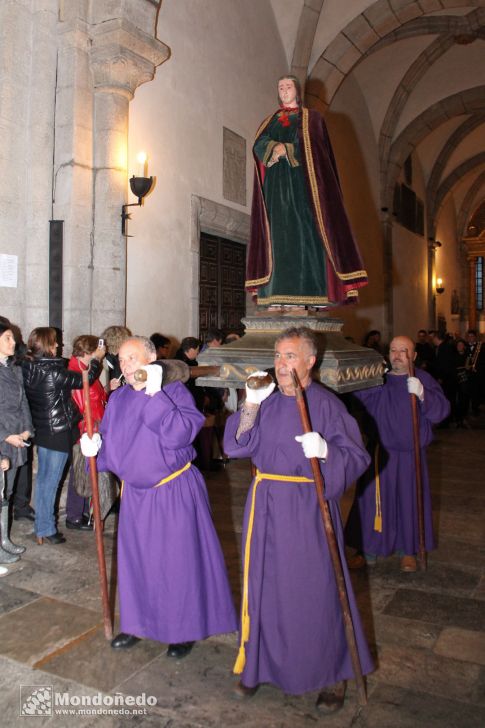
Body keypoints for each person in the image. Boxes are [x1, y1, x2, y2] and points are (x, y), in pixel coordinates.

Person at [223, 327, 373, 712]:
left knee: (315, 589)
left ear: (310, 361)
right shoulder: (268, 401)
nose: (281, 363)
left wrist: (325, 452)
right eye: (277, 356)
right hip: (265, 504)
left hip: (307, 509)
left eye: (290, 356)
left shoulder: (326, 404)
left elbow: (356, 457)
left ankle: (331, 673)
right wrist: (251, 405)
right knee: (263, 588)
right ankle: (258, 666)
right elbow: (237, 446)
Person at [81, 336, 237, 658]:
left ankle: (182, 629)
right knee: (138, 562)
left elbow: (179, 434)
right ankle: (140, 624)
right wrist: (95, 451)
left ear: (151, 360)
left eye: (132, 358)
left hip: (173, 491)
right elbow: (111, 440)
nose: (125, 365)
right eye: (122, 360)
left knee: (177, 563)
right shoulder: (120, 397)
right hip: (136, 496)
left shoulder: (173, 392)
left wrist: (154, 395)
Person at [245, 75, 367, 307]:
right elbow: (258, 145)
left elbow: (318, 150)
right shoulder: (268, 122)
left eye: (288, 86)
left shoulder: (313, 119)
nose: (284, 90)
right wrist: (273, 148)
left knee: (305, 234)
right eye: (280, 87)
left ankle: (312, 293)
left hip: (305, 186)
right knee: (278, 237)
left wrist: (288, 150)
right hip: (275, 189)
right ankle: (276, 295)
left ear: (298, 91)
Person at [345, 336, 450, 572]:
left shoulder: (423, 379)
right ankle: (369, 549)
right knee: (374, 501)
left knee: (409, 501)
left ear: (413, 356)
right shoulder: (378, 379)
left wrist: (423, 394)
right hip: (382, 452)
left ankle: (409, 550)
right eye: (393, 350)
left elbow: (442, 411)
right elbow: (358, 395)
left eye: (404, 351)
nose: (397, 355)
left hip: (412, 455)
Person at [22, 327, 104, 545]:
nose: (58, 345)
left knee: (43, 481)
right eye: (54, 342)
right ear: (47, 345)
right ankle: (46, 529)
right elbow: (86, 379)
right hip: (58, 431)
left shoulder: (28, 366)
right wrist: (96, 359)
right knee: (51, 481)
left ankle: (41, 527)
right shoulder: (53, 371)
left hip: (43, 429)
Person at [65, 335, 115, 529]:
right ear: (89, 351)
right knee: (81, 471)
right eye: (98, 350)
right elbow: (83, 401)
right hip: (85, 428)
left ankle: (83, 512)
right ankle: (75, 515)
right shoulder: (76, 370)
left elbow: (96, 397)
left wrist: (108, 390)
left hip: (95, 425)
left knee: (88, 471)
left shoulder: (86, 369)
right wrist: (91, 428)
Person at [0, 321, 34, 563]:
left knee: (6, 493)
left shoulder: (13, 368)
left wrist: (26, 429)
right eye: (8, 338)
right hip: (3, 438)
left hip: (15, 438)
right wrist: (4, 436)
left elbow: (23, 403)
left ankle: (3, 540)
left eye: (13, 338)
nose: (14, 343)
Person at [465, 329, 484, 416]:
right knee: (467, 392)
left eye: (472, 336)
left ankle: (475, 408)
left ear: (475, 337)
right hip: (467, 374)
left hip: (477, 374)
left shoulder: (481, 347)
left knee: (476, 392)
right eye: (469, 336)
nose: (470, 338)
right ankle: (466, 410)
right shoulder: (464, 347)